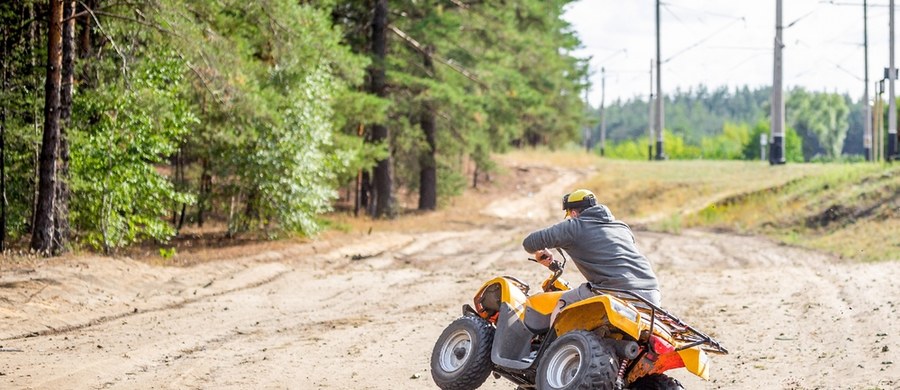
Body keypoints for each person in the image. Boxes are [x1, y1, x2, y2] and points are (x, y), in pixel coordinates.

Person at [522, 189, 661, 320]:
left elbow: (529, 243)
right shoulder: (621, 227)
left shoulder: (573, 227)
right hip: (652, 295)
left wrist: (542, 251)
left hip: (616, 292)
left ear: (574, 213)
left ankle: (556, 345)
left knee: (563, 303)